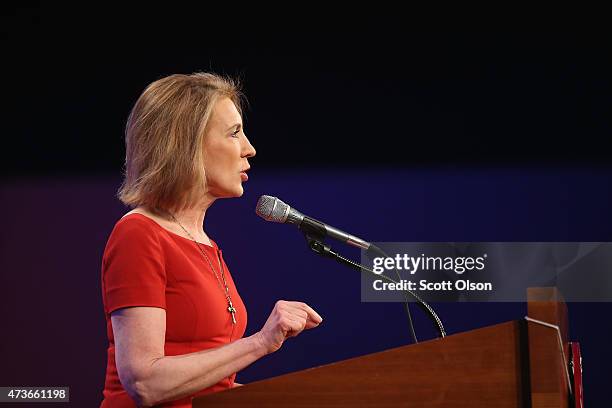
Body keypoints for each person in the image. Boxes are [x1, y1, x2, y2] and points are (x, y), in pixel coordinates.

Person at [100, 72, 323, 407]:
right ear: (185, 144)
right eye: (234, 133)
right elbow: (145, 383)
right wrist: (261, 342)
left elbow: (207, 390)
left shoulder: (203, 243)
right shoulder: (139, 235)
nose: (250, 148)